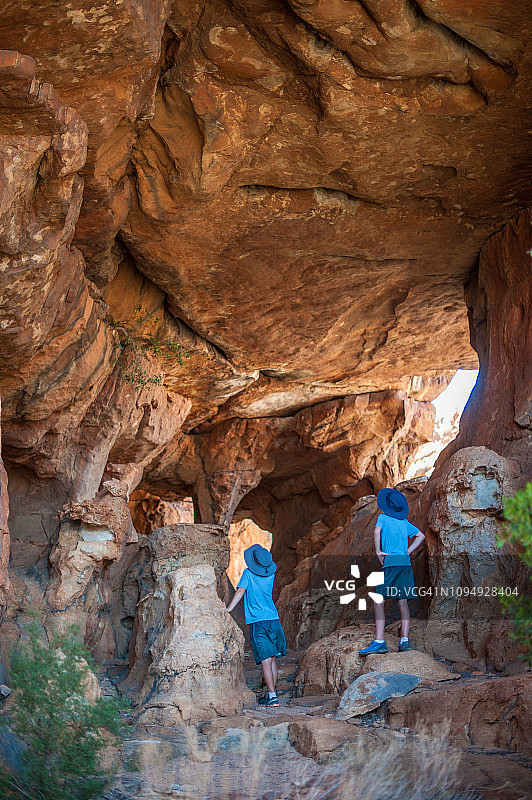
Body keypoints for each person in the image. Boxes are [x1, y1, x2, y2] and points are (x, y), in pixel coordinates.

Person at [359, 487, 425, 656]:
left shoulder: (383, 518)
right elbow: (421, 536)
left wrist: (378, 551)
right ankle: (405, 641)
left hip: (391, 563)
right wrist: (408, 551)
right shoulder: (404, 523)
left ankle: (380, 641)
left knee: (379, 599)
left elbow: (376, 531)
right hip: (405, 563)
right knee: (402, 601)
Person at [225, 544, 287, 707]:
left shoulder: (248, 574)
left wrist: (229, 608)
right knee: (273, 659)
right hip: (273, 619)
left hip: (258, 621)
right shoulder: (270, 575)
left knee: (265, 660)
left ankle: (272, 697)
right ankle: (271, 695)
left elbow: (240, 591)